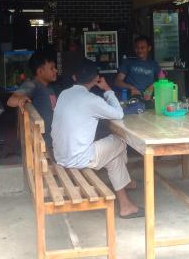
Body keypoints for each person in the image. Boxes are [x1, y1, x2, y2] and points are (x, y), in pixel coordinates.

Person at [52, 60, 143, 219]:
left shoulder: (64, 94)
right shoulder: (92, 100)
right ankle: (126, 182)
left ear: (74, 77)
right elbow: (119, 114)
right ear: (96, 79)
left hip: (60, 154)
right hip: (78, 158)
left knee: (113, 157)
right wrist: (107, 90)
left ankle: (126, 205)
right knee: (121, 139)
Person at [7, 51, 58, 149]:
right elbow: (11, 101)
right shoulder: (32, 84)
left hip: (51, 142)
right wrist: (20, 99)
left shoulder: (49, 88)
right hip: (41, 144)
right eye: (52, 68)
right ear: (40, 71)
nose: (55, 70)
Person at [115, 35, 160, 103]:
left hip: (149, 99)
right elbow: (117, 81)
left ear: (149, 48)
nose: (139, 50)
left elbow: (163, 80)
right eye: (137, 47)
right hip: (131, 99)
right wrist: (131, 88)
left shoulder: (154, 64)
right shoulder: (128, 62)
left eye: (142, 47)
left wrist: (151, 87)